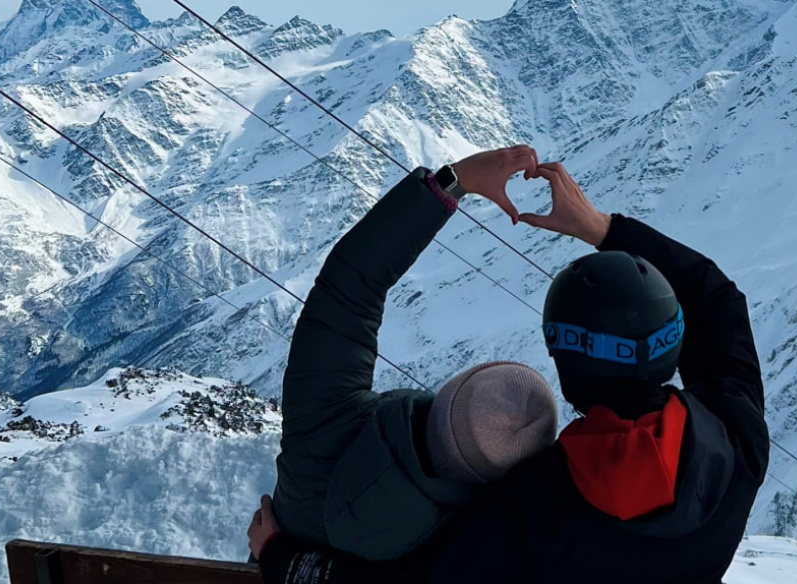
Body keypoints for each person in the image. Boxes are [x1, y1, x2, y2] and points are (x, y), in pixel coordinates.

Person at [254, 157, 770, 584]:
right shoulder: (737, 437)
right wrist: (603, 228)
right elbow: (717, 302)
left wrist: (277, 556)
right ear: (672, 343)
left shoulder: (532, 511)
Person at [246, 146, 560, 566]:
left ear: (450, 393)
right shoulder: (467, 553)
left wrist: (454, 181)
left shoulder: (325, 420)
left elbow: (351, 285)